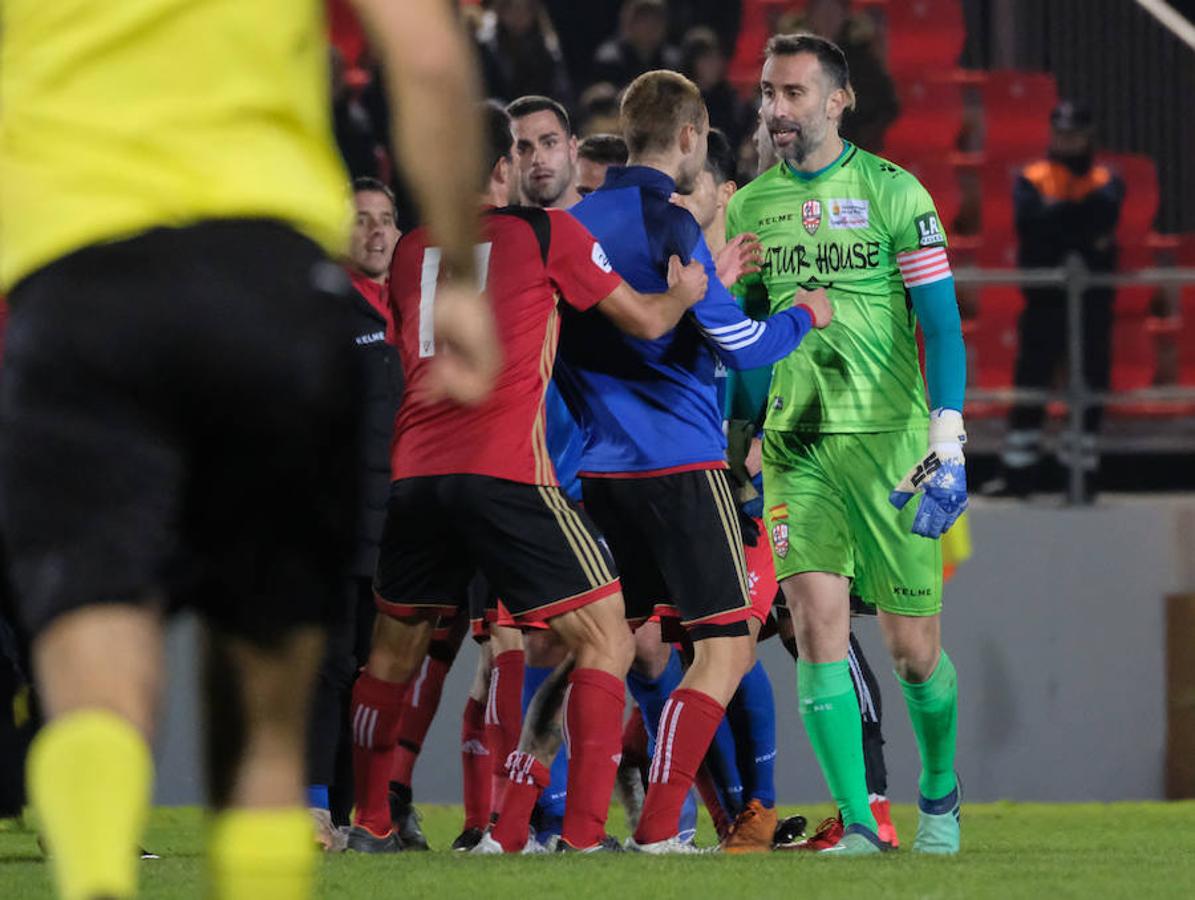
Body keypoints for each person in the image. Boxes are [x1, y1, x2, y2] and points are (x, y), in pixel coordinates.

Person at [0, 2, 496, 898]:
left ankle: (94, 875)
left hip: (74, 287)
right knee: (266, 723)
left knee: (96, 689)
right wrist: (455, 275)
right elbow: (426, 55)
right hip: (267, 287)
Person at [348, 101, 709, 854]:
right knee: (606, 637)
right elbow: (643, 320)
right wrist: (684, 293)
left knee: (391, 657)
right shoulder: (543, 233)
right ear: (503, 164)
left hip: (415, 476)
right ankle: (580, 835)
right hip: (507, 474)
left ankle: (370, 823)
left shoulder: (412, 249)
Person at [558, 69, 832, 854]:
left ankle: (572, 829)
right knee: (724, 649)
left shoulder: (574, 223)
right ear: (687, 137)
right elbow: (740, 342)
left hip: (600, 472)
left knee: (610, 646)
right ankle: (657, 829)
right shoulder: (669, 220)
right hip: (680, 466)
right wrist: (804, 314)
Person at [726, 34, 967, 856]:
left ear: (838, 100)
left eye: (792, 93)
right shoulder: (749, 206)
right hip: (800, 448)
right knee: (814, 625)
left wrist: (949, 436)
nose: (775, 110)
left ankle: (939, 789)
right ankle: (860, 821)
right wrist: (749, 425)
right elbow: (747, 338)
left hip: (892, 448)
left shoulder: (897, 193)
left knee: (911, 654)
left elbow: (939, 323)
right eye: (766, 93)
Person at [304, 178, 403, 854]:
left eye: (385, 220)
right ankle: (312, 809)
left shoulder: (412, 308)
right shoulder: (324, 313)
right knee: (331, 667)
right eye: (359, 220)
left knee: (379, 672)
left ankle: (362, 812)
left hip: (400, 520)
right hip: (336, 518)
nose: (374, 232)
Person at [986, 100, 1124, 500]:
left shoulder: (1104, 179)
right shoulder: (1033, 177)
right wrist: (1077, 226)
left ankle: (1080, 477)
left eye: (1074, 134)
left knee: (1089, 386)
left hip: (1092, 302)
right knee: (1031, 383)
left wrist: (1059, 218)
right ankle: (1017, 475)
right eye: (1061, 133)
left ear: (1087, 136)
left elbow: (1104, 218)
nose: (1067, 141)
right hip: (1044, 299)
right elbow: (1033, 227)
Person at [783, 1, 900, 153]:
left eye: (833, 13)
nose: (827, 19)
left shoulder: (862, 60)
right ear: (810, 16)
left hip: (852, 148)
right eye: (821, 12)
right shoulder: (793, 56)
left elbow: (885, 105)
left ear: (844, 16)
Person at [476, 0, 574, 109]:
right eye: (510, 7)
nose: (518, 15)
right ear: (499, 9)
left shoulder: (548, 46)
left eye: (527, 8)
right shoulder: (486, 46)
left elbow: (562, 94)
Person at [680, 28, 753, 153]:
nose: (714, 65)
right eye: (707, 59)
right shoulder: (680, 100)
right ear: (692, 63)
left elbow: (743, 130)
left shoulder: (730, 99)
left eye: (717, 58)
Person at [591, 0, 682, 91]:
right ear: (628, 23)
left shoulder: (673, 61)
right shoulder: (610, 60)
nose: (651, 26)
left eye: (657, 19)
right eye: (644, 20)